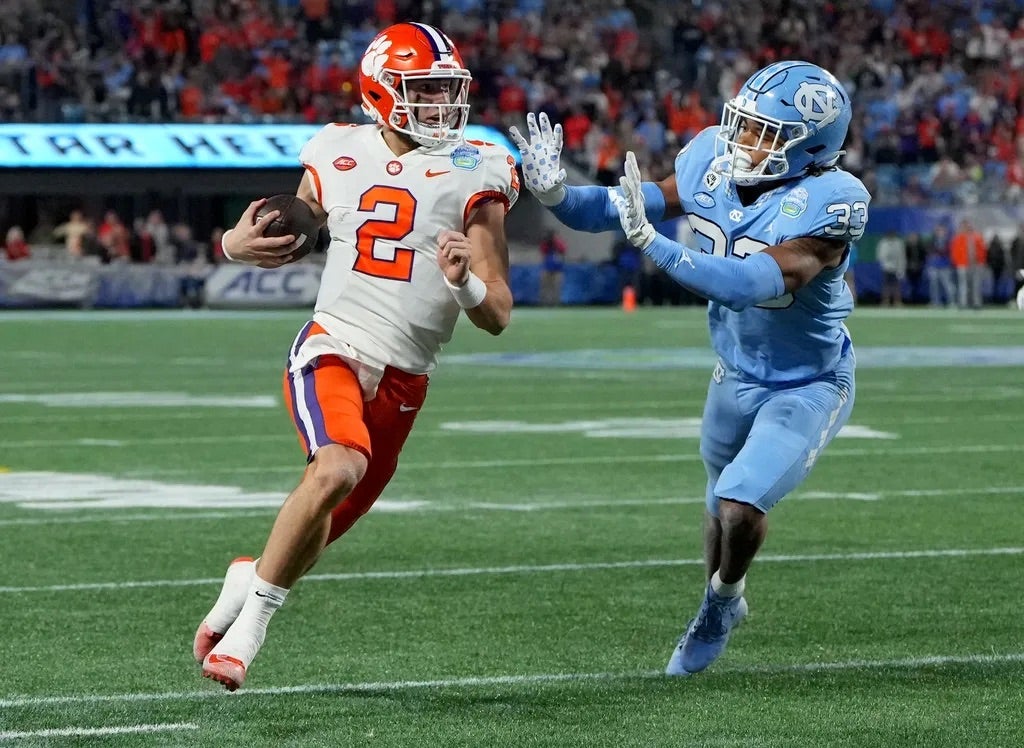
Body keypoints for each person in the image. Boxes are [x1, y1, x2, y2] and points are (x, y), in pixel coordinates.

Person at [511, 61, 868, 675]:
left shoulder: (834, 203)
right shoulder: (713, 161)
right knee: (715, 502)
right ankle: (720, 596)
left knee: (740, 503)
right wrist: (557, 197)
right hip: (733, 372)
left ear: (813, 148)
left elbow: (755, 281)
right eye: (744, 125)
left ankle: (722, 600)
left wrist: (655, 244)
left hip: (807, 381)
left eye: (765, 133)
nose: (743, 143)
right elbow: (632, 202)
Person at [194, 21, 519, 691]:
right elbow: (297, 219)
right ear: (379, 91)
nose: (440, 108)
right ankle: (248, 634)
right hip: (332, 345)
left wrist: (463, 282)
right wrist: (232, 243)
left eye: (445, 92)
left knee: (319, 528)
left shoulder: (480, 167)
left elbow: (498, 316)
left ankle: (245, 578)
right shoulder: (334, 148)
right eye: (423, 92)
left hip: (405, 380)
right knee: (337, 466)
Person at [876, 229, 906, 307]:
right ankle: (885, 301)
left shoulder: (898, 243)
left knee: (896, 285)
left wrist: (900, 269)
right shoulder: (883, 243)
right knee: (886, 285)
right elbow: (880, 256)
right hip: (886, 267)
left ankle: (897, 301)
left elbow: (901, 256)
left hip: (896, 268)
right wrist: (884, 265)